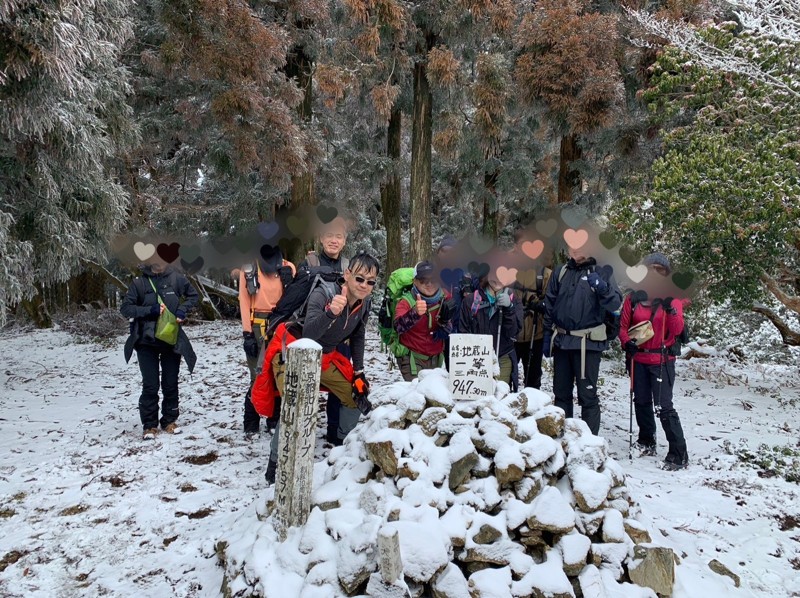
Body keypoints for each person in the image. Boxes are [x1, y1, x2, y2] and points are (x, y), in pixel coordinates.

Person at [253, 252, 380, 484]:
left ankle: (343, 447)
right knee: (296, 404)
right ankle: (276, 463)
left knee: (357, 397)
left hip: (326, 357)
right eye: (360, 278)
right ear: (347, 274)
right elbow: (310, 333)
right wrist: (331, 312)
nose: (364, 285)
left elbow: (359, 334)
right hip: (293, 350)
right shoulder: (325, 292)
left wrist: (359, 371)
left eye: (370, 282)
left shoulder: (364, 303)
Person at [618, 252, 689, 470]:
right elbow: (623, 327)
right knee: (641, 401)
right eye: (651, 269)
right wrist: (626, 342)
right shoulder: (634, 297)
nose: (656, 273)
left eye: (661, 270)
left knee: (663, 406)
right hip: (638, 357)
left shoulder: (672, 298)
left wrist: (672, 309)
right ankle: (646, 441)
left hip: (662, 359)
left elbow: (677, 330)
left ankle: (678, 453)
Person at [543, 244, 622, 435]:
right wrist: (547, 335)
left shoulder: (603, 271)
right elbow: (550, 304)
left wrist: (603, 288)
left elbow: (616, 303)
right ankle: (564, 438)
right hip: (562, 341)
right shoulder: (561, 272)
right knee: (561, 394)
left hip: (588, 344)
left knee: (587, 396)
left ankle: (589, 442)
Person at [121, 256, 198, 439]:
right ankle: (149, 425)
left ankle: (169, 420)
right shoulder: (139, 283)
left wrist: (182, 310)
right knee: (150, 384)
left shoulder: (177, 279)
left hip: (171, 340)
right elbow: (126, 309)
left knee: (170, 382)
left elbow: (193, 296)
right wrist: (150, 311)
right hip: (145, 342)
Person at [298, 216, 349, 443]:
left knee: (340, 387)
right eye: (329, 235)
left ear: (345, 241)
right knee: (305, 384)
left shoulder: (349, 267)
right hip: (311, 334)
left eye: (338, 236)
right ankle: (300, 431)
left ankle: (334, 433)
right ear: (321, 238)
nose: (333, 241)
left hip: (341, 337)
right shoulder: (308, 264)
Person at [238, 244, 295, 437]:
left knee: (278, 373)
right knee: (258, 375)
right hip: (258, 326)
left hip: (281, 326)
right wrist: (247, 334)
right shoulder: (249, 269)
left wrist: (291, 284)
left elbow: (296, 299)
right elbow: (244, 301)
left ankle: (274, 419)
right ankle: (251, 421)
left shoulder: (289, 267)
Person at [459, 270, 523, 390]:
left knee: (499, 396)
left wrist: (509, 309)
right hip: (476, 358)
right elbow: (463, 332)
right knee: (478, 400)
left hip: (503, 357)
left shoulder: (514, 299)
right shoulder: (471, 301)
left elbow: (514, 332)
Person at [393, 260, 454, 381]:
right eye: (423, 280)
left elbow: (451, 320)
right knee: (417, 396)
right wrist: (414, 313)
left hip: (436, 359)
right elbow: (398, 327)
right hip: (412, 358)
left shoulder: (445, 297)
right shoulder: (406, 301)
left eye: (433, 279)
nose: (429, 284)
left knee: (433, 395)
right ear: (414, 281)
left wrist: (446, 326)